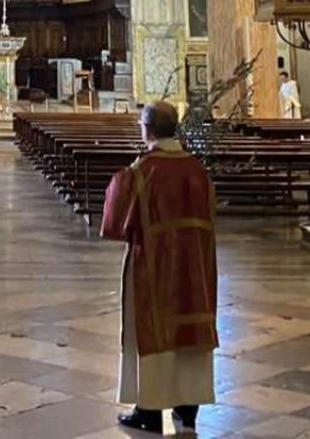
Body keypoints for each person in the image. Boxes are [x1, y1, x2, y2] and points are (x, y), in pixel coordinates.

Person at [101, 102, 218, 434]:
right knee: (189, 331)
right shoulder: (197, 170)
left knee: (153, 330)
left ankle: (150, 411)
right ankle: (188, 410)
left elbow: (113, 222)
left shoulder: (143, 172)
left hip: (154, 271)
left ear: (147, 129)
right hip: (195, 271)